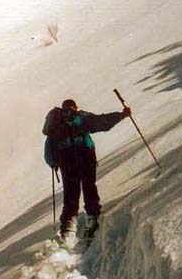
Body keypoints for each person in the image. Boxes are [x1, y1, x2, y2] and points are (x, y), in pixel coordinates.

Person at [43, 98, 131, 240]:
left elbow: (48, 154)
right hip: (86, 158)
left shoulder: (55, 125)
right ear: (75, 107)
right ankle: (92, 219)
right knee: (89, 188)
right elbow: (103, 122)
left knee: (70, 195)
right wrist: (122, 115)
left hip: (67, 163)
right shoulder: (81, 118)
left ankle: (67, 230)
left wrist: (54, 164)